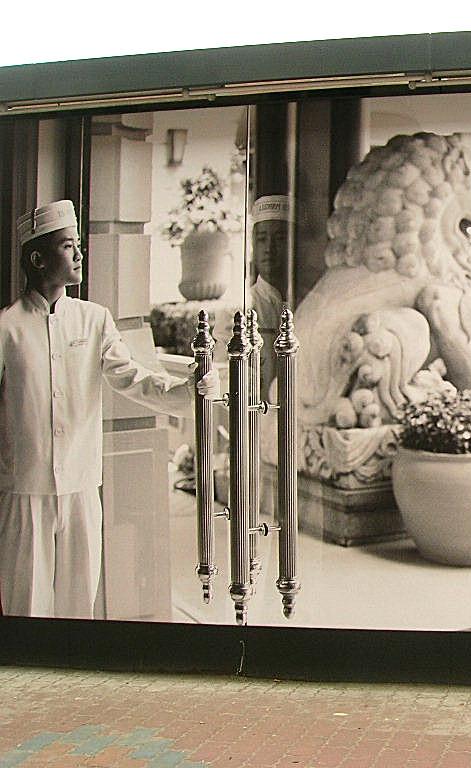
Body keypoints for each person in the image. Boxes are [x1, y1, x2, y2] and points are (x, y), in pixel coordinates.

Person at [0, 200, 219, 619]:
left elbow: (133, 378)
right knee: (24, 609)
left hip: (81, 485)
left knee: (78, 604)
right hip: (23, 490)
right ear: (38, 259)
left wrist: (188, 391)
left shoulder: (94, 319)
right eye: (68, 246)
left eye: (78, 244)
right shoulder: (7, 327)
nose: (79, 254)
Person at [249, 195, 292, 399]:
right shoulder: (242, 307)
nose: (269, 248)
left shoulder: (311, 302)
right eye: (262, 239)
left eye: (280, 238)